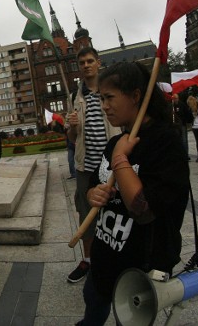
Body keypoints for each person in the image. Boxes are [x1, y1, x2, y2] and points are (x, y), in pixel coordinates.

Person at [76, 61, 190, 325]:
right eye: (101, 98)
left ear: (136, 96)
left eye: (109, 98)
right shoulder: (117, 141)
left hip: (139, 268)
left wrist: (120, 160)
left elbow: (144, 210)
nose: (104, 106)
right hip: (105, 262)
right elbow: (95, 181)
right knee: (93, 306)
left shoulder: (165, 143)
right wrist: (93, 193)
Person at [66, 47, 121, 284]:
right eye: (82, 62)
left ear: (98, 63)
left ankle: (115, 258)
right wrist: (71, 126)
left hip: (111, 164)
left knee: (116, 211)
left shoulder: (111, 90)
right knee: (85, 212)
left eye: (90, 61)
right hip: (85, 166)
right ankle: (88, 260)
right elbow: (72, 139)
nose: (86, 65)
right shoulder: (74, 97)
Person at [171, 93, 193, 160]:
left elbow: (187, 113)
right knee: (177, 140)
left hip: (182, 125)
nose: (175, 100)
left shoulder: (182, 105)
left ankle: (186, 155)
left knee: (184, 140)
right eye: (174, 99)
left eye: (176, 98)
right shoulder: (171, 106)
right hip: (175, 126)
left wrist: (186, 121)